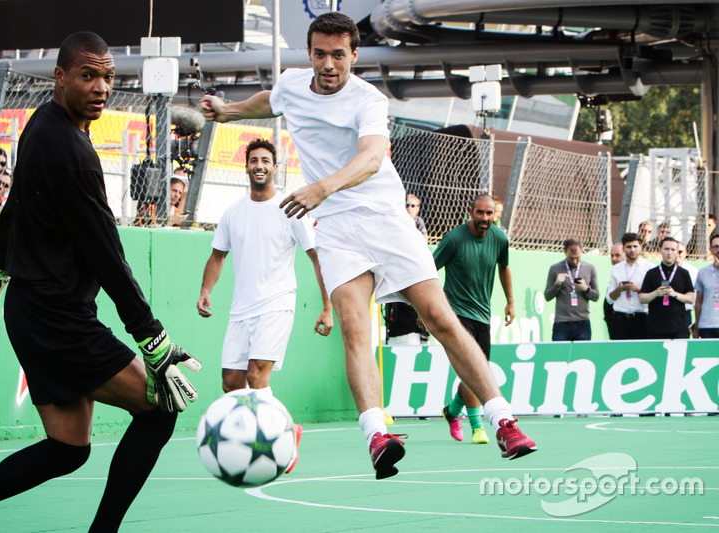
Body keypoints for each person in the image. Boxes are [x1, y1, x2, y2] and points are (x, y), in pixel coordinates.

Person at [200, 11, 537, 479]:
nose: (329, 64)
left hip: (385, 219)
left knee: (440, 317)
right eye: (320, 54)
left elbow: (372, 156)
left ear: (353, 55)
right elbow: (271, 101)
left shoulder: (368, 99)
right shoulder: (295, 84)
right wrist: (230, 110)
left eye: (339, 55)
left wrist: (322, 188)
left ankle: (503, 421)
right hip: (336, 229)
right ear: (311, 53)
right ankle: (376, 434)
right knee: (357, 329)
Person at [0, 32, 201, 533]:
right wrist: (151, 338)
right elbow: (105, 253)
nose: (100, 87)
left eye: (108, 77)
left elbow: (19, 203)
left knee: (68, 449)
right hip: (56, 318)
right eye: (88, 75)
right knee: (159, 408)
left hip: (39, 310)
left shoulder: (45, 125)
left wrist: (2, 263)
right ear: (61, 77)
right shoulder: (69, 148)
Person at [197, 138, 333, 474]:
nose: (259, 165)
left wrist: (328, 306)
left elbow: (318, 259)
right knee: (231, 382)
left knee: (257, 375)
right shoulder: (233, 212)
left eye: (265, 161)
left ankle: (284, 435)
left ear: (275, 167)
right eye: (253, 160)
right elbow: (218, 255)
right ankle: (272, 432)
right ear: (246, 167)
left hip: (277, 303)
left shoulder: (291, 209)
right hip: (241, 309)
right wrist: (206, 290)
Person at [434, 194, 513, 446]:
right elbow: (428, 272)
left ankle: (453, 410)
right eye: (480, 213)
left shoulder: (500, 238)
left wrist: (510, 301)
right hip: (455, 314)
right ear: (471, 212)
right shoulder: (453, 239)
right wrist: (426, 310)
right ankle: (478, 426)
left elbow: (504, 267)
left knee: (477, 371)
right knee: (473, 368)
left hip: (483, 315)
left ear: (495, 215)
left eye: (489, 214)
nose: (485, 218)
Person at [384, 194, 430, 344]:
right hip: (397, 281)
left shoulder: (418, 224)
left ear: (418, 208)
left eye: (412, 205)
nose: (409, 208)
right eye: (407, 205)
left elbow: (422, 243)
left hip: (415, 276)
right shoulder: (395, 223)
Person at [544, 238, 600, 341]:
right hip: (562, 322)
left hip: (583, 322)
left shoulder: (590, 268)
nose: (574, 261)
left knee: (582, 355)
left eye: (577, 258)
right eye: (571, 258)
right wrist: (557, 284)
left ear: (582, 251)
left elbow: (596, 296)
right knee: (560, 354)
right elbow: (547, 296)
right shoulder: (555, 268)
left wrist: (586, 289)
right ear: (565, 252)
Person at [639, 237, 694, 339]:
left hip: (679, 328)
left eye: (673, 250)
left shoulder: (684, 273)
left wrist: (675, 294)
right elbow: (642, 298)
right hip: (656, 328)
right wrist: (656, 293)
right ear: (660, 250)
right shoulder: (652, 273)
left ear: (677, 252)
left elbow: (690, 299)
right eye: (666, 249)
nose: (669, 253)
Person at [606, 232, 655, 340]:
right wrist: (619, 289)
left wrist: (638, 289)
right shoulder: (616, 269)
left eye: (635, 246)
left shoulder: (650, 268)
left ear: (641, 247)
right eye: (629, 247)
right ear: (623, 249)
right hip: (620, 318)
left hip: (642, 318)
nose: (632, 250)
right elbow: (609, 299)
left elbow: (655, 295)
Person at [692, 232, 719, 338]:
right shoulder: (703, 272)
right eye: (716, 247)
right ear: (711, 249)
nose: (718, 250)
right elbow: (698, 301)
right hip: (707, 325)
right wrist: (696, 327)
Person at [603, 242, 626, 339]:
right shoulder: (614, 273)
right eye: (612, 256)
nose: (614, 259)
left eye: (617, 255)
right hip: (614, 322)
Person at [676, 240, 698, 331]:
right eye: (674, 251)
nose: (677, 254)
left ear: (685, 253)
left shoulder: (693, 271)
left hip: (686, 313)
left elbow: (697, 298)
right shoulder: (661, 270)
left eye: (680, 252)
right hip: (667, 313)